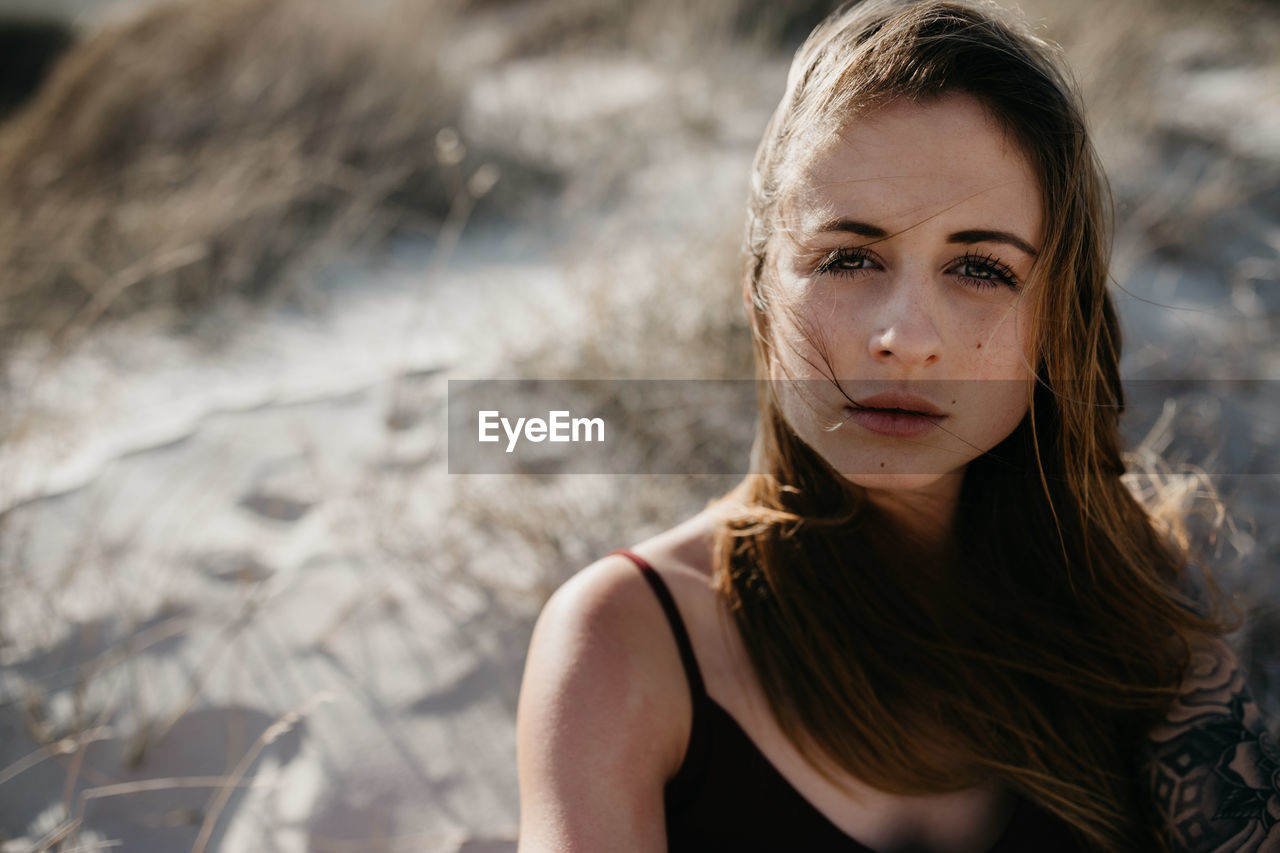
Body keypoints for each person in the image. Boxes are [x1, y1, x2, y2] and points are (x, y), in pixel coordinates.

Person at [514, 1, 1278, 851]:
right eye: (849, 256)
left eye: (981, 268)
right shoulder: (623, 644)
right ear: (759, 293)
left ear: (1054, 322)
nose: (907, 338)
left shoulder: (1136, 599)